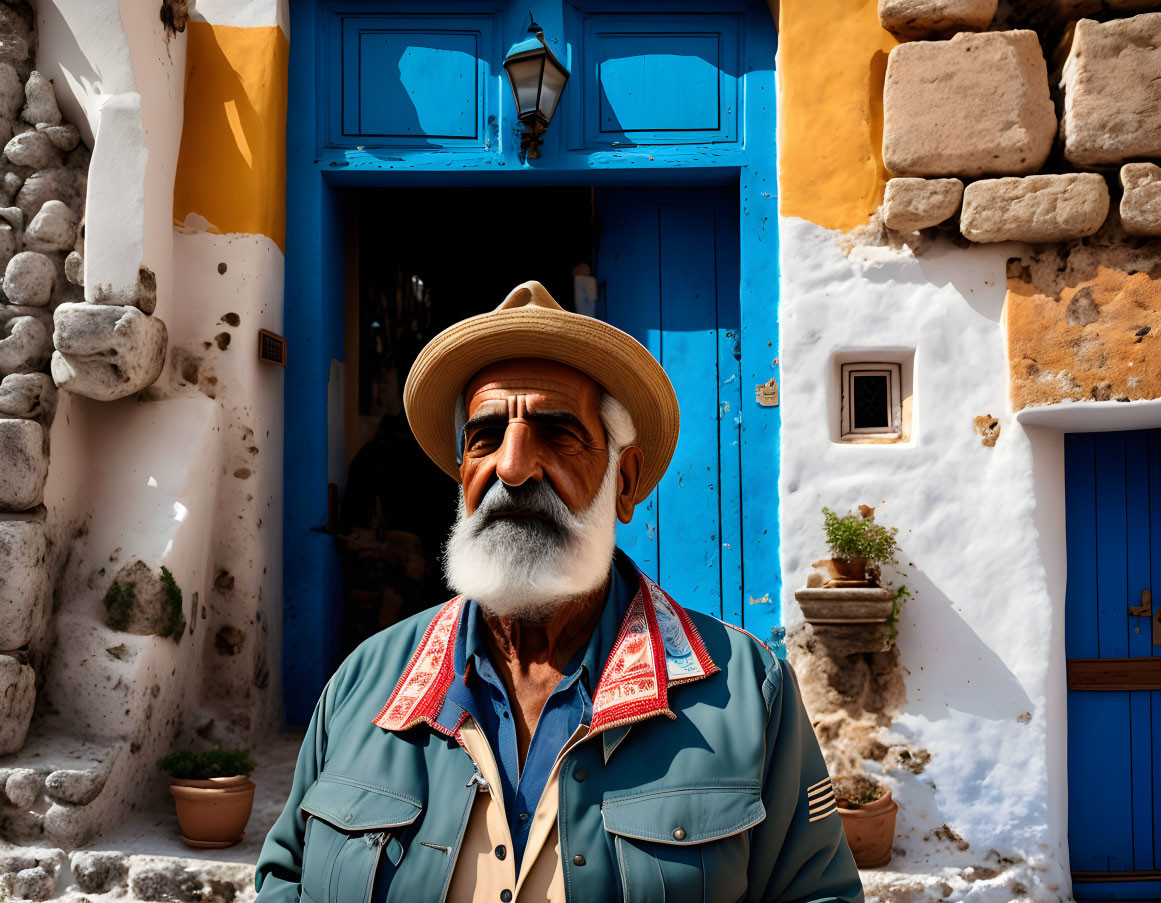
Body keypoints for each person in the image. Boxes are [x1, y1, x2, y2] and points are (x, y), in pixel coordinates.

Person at [255, 282, 864, 902]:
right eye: (485, 437)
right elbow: (285, 880)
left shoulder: (744, 696)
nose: (513, 468)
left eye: (557, 434)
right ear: (463, 472)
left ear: (623, 483)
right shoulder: (365, 684)